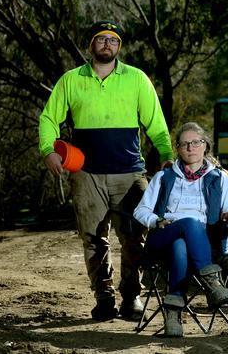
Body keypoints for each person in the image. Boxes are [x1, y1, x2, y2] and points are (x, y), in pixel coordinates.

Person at [38, 20, 174, 322]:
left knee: (134, 236)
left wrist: (166, 155)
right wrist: (48, 150)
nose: (107, 44)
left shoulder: (137, 79)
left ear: (119, 46)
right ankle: (104, 297)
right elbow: (49, 118)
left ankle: (132, 297)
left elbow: (157, 124)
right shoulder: (71, 81)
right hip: (87, 174)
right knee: (93, 238)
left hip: (130, 173)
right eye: (101, 39)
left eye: (113, 40)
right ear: (91, 45)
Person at [133, 122, 228, 337]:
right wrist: (156, 220)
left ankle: (172, 315)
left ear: (205, 146)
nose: (191, 147)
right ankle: (212, 283)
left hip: (204, 243)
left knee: (180, 244)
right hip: (163, 236)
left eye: (196, 142)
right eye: (184, 144)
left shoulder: (220, 179)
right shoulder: (163, 178)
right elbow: (140, 211)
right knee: (188, 224)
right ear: (178, 149)